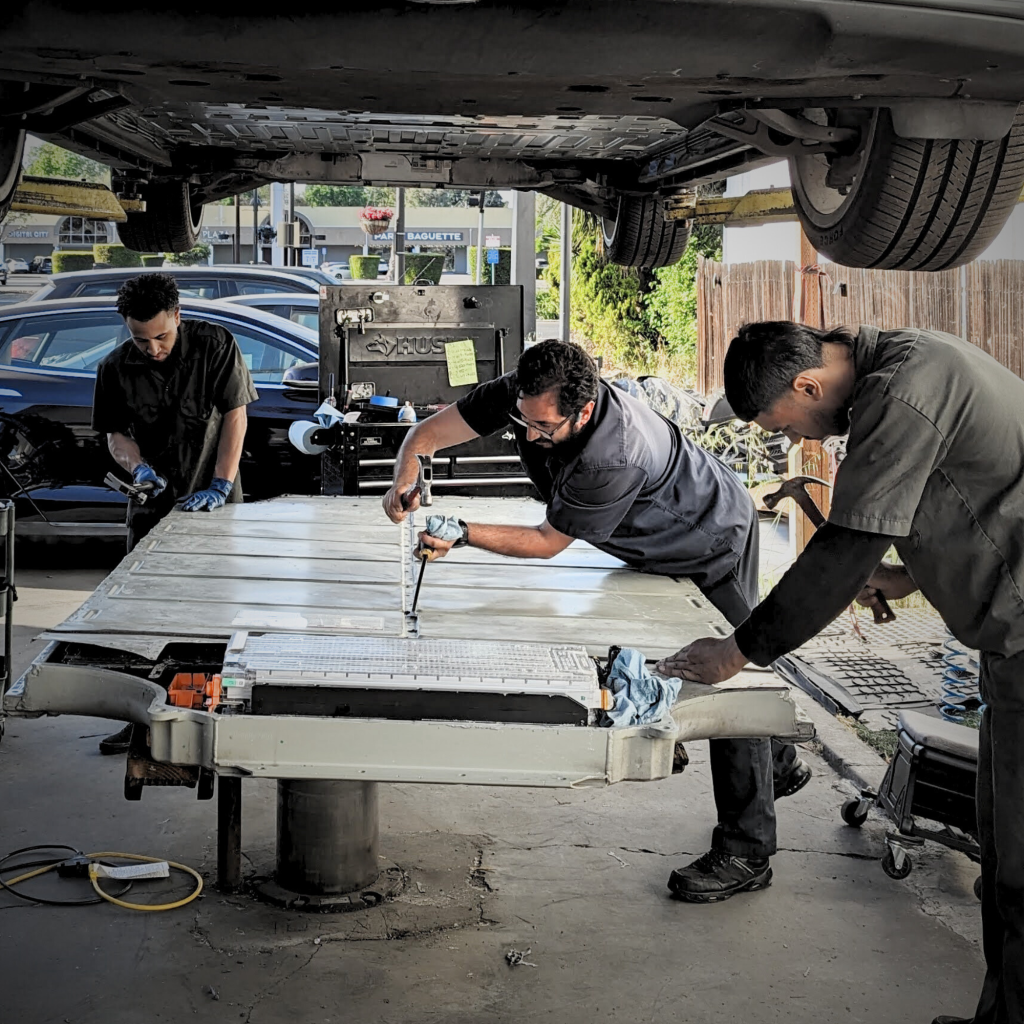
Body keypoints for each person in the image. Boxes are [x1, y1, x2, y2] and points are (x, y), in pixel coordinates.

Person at [659, 320, 1024, 1023]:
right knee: (1004, 854)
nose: (798, 441)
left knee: (1021, 868)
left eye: (787, 424)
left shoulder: (903, 392)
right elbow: (975, 494)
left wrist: (737, 651)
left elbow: (843, 546)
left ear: (807, 384)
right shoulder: (906, 363)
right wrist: (898, 576)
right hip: (1010, 639)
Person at [383, 339, 811, 903]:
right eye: (523, 420)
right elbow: (426, 436)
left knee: (728, 677)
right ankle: (777, 766)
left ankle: (747, 849)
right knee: (709, 677)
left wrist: (462, 530)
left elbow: (545, 543)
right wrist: (405, 477)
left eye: (543, 427)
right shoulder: (527, 394)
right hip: (646, 539)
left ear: (583, 412)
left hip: (712, 538)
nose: (530, 434)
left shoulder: (612, 455)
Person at [91, 272, 257, 754]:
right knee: (141, 615)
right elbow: (115, 435)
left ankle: (208, 717)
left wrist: (222, 484)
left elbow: (235, 415)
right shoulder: (115, 367)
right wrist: (138, 467)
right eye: (140, 339)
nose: (153, 348)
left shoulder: (215, 345)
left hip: (214, 503)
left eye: (162, 336)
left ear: (178, 317)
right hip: (153, 505)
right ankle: (139, 718)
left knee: (215, 613)